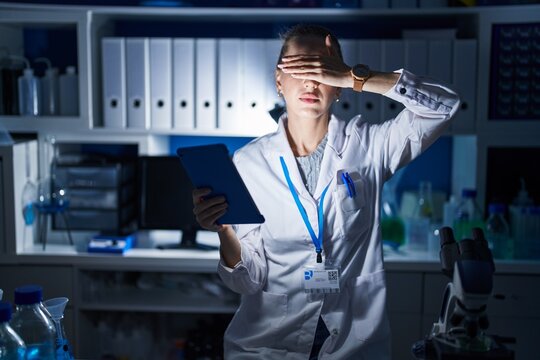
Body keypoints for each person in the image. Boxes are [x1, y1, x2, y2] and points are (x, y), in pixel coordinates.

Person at [192, 24, 460, 359]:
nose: (310, 80)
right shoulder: (248, 163)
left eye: (321, 68)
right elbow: (247, 281)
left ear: (338, 87)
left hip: (353, 344)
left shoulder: (369, 146)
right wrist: (225, 231)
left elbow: (443, 106)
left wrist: (356, 77)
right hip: (267, 346)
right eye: (298, 67)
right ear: (279, 81)